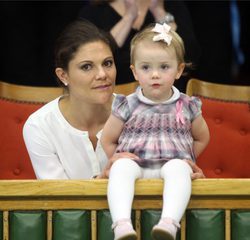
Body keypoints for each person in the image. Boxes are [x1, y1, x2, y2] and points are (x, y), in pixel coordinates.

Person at [23, 19, 205, 182]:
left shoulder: (140, 109)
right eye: (87, 67)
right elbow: (57, 200)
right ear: (63, 75)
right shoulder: (39, 126)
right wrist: (100, 181)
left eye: (107, 63)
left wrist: (186, 174)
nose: (103, 74)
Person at [101, 23, 210, 240]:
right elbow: (108, 139)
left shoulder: (187, 105)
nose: (155, 74)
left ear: (179, 70)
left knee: (178, 169)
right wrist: (119, 156)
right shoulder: (127, 104)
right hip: (137, 165)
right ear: (134, 71)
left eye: (164, 67)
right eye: (146, 67)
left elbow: (202, 137)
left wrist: (187, 158)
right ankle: (121, 224)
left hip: (170, 165)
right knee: (120, 169)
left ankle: (168, 223)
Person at [78, 0, 200, 92]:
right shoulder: (94, 10)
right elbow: (93, 55)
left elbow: (189, 54)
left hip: (165, 98)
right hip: (113, 97)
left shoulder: (172, 5)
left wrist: (159, 12)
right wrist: (129, 17)